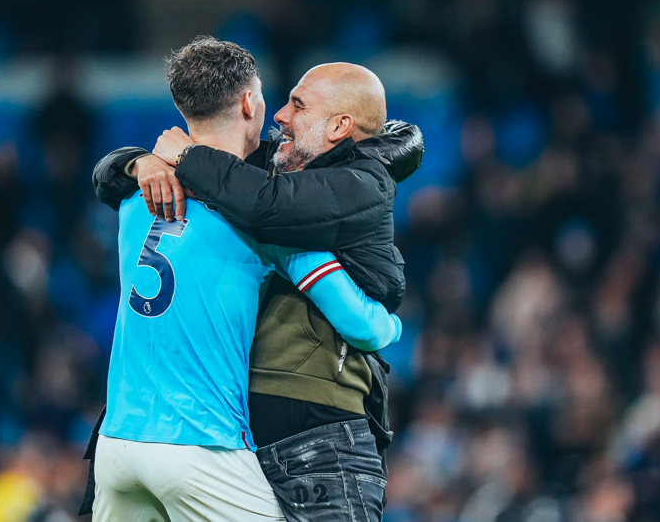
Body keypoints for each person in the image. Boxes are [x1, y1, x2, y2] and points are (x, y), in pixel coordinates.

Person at [92, 56, 423, 521]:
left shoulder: (137, 196)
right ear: (250, 103)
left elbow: (108, 175)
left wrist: (139, 162)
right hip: (202, 441)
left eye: (297, 105)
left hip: (117, 441)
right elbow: (359, 321)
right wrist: (391, 326)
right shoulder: (260, 221)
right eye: (279, 101)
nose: (282, 117)